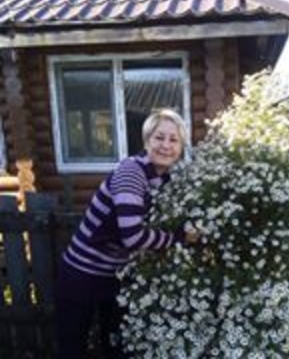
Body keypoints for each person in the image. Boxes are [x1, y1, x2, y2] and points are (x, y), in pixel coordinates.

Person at [55, 108, 195, 359]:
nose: (166, 145)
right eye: (159, 137)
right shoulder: (132, 172)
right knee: (72, 346)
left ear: (181, 147)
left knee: (116, 345)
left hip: (114, 274)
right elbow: (133, 236)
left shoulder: (164, 180)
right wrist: (178, 238)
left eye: (174, 140)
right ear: (147, 141)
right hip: (81, 272)